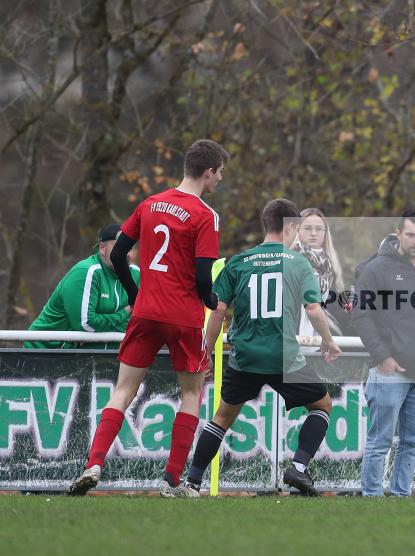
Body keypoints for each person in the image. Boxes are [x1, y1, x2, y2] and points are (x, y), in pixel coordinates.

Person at [67, 139, 229, 497]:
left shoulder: (150, 203)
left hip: (146, 312)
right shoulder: (205, 215)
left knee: (123, 390)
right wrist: (211, 299)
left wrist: (134, 293)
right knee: (191, 392)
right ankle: (171, 480)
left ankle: (93, 464)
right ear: (207, 172)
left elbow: (121, 251)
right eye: (219, 174)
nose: (219, 180)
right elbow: (204, 275)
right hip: (183, 315)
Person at [185, 199, 342, 497]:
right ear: (291, 227)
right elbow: (313, 309)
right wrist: (328, 340)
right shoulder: (298, 263)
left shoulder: (239, 262)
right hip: (284, 357)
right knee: (322, 406)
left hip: (245, 356)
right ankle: (298, 467)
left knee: (222, 417)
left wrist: (207, 354)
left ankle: (192, 482)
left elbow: (216, 311)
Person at [354, 209, 415, 497]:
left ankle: (400, 495)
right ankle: (371, 497)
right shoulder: (376, 269)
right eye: (410, 235)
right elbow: (360, 316)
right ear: (398, 234)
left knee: (413, 442)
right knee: (380, 441)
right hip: (389, 371)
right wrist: (383, 357)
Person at [25, 224, 140, 350]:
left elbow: (138, 323)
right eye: (119, 247)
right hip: (44, 352)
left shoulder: (136, 273)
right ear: (102, 248)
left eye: (129, 248)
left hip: (91, 355)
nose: (125, 253)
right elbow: (86, 324)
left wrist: (103, 329)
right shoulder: (87, 272)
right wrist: (125, 312)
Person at [291, 207, 350, 338]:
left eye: (318, 229)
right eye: (307, 228)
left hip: (325, 332)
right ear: (297, 230)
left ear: (325, 233)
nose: (313, 233)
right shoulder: (289, 260)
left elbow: (331, 305)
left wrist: (348, 307)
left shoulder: (329, 264)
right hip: (294, 332)